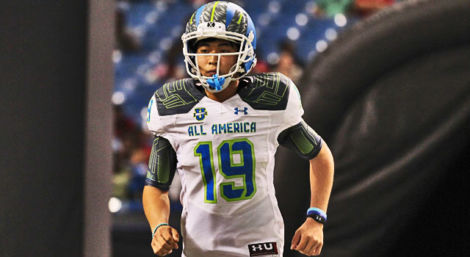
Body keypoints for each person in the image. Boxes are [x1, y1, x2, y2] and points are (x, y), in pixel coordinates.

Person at [143, 1, 334, 257]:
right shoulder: (173, 106)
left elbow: (320, 156)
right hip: (200, 246)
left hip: (259, 243)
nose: (212, 59)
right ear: (191, 53)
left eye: (224, 49)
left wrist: (316, 217)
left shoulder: (269, 100)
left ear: (244, 51)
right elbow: (156, 186)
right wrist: (159, 226)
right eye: (204, 49)